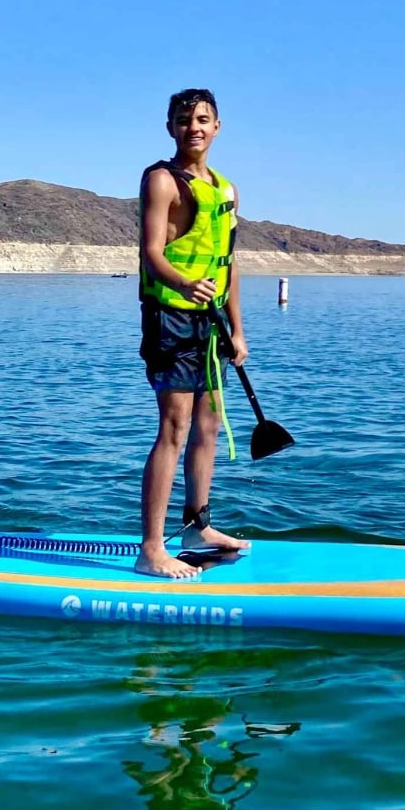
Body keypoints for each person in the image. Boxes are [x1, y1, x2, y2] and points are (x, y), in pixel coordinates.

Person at [135, 88, 251, 577]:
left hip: (212, 323)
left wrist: (238, 331)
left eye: (203, 119)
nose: (194, 127)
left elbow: (229, 264)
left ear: (218, 126)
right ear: (170, 128)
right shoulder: (161, 180)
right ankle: (151, 549)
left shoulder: (226, 190)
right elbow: (151, 252)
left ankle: (199, 524)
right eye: (184, 120)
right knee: (175, 428)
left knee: (208, 424)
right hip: (172, 317)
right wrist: (186, 284)